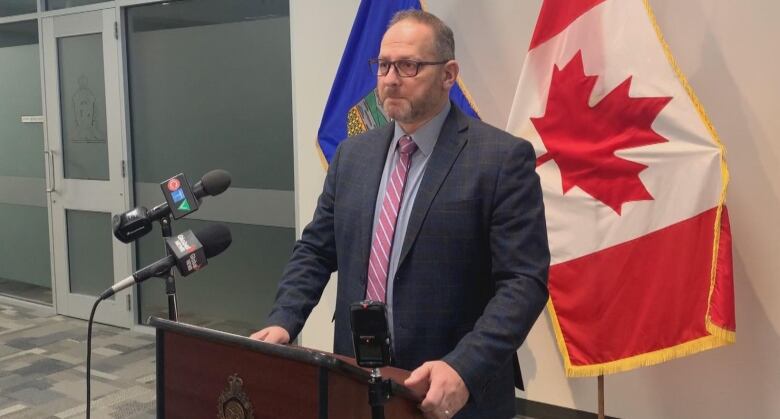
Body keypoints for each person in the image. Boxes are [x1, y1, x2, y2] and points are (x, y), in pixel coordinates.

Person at [250, 10, 549, 419]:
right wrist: (284, 319)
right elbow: (317, 250)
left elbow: (523, 283)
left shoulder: (500, 159)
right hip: (355, 376)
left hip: (447, 387)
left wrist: (464, 367)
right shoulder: (352, 155)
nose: (390, 79)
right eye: (384, 65)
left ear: (449, 74)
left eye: (409, 66)